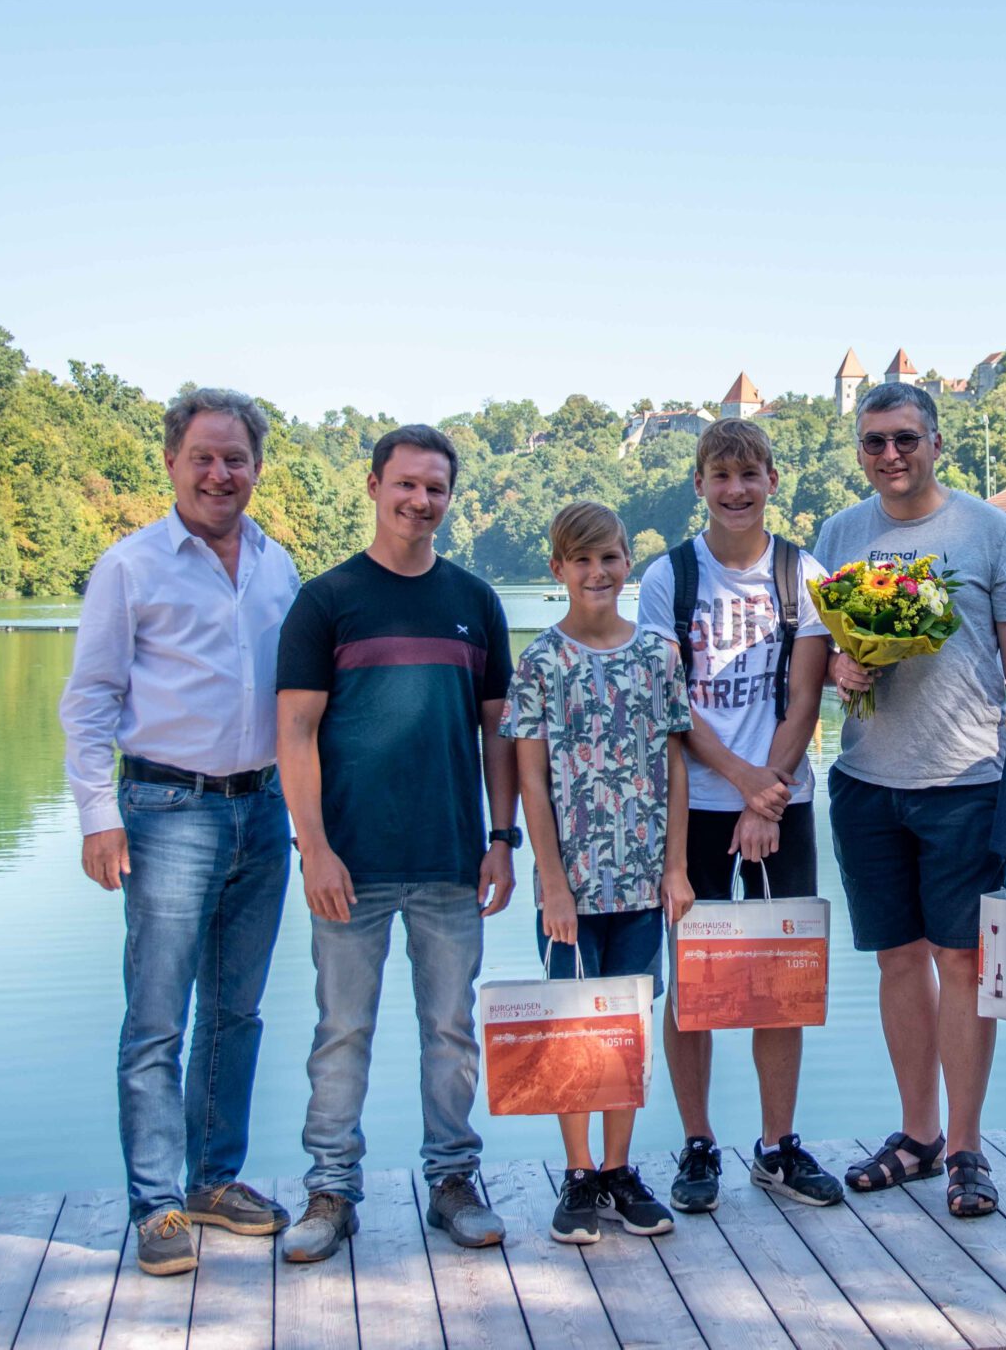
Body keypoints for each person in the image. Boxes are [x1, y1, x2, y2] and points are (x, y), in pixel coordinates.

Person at [59, 387, 300, 1277]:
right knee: (158, 1018)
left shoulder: (279, 567)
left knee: (237, 1012)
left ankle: (214, 1180)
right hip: (165, 812)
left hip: (263, 809)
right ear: (170, 462)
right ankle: (156, 1205)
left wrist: (306, 812)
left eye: (234, 458)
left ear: (256, 467)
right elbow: (89, 700)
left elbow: (300, 705)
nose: (218, 472)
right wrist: (97, 815)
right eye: (202, 456)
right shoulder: (130, 567)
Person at [274, 424, 518, 1262]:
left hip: (453, 858)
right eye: (406, 484)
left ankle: (452, 1179)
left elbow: (498, 736)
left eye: (436, 488)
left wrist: (501, 837)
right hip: (352, 863)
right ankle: (331, 1191)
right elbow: (295, 732)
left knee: (451, 1031)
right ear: (374, 485)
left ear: (451, 497)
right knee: (342, 1030)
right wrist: (313, 847)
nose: (420, 501)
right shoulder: (327, 600)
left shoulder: (477, 602)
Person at [815, 382, 1006, 1219]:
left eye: (904, 438)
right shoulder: (840, 533)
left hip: (969, 782)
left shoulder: (989, 530)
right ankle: (917, 1136)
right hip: (868, 779)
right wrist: (842, 666)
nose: (890, 455)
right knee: (898, 960)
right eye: (874, 442)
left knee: (965, 965)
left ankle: (968, 1143)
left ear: (935, 442)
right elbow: (820, 656)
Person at [635, 418, 842, 1214]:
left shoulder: (803, 573)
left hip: (783, 799)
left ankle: (777, 1145)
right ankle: (697, 1142)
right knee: (694, 984)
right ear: (699, 485)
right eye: (720, 475)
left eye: (749, 474)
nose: (735, 490)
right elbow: (672, 703)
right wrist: (742, 783)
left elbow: (805, 696)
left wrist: (772, 792)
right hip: (696, 802)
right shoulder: (668, 578)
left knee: (778, 984)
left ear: (772, 481)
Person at [502, 501, 695, 1245]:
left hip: (645, 881)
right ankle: (578, 1174)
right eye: (580, 560)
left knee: (628, 1030)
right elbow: (531, 779)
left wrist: (676, 865)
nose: (596, 572)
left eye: (609, 557)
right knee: (573, 1029)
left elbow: (674, 764)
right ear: (557, 570)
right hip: (572, 889)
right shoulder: (541, 662)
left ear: (627, 563)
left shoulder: (656, 655)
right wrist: (550, 882)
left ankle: (618, 1170)